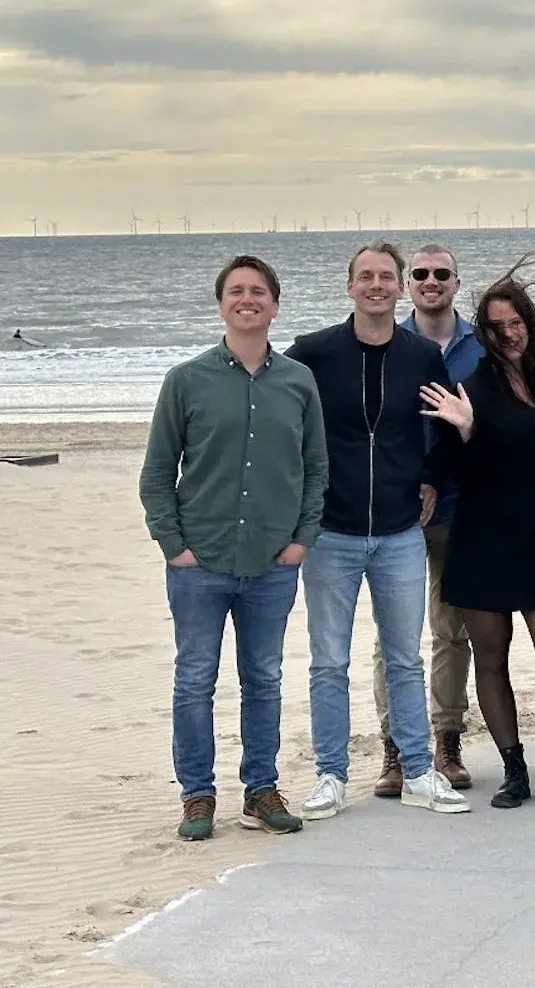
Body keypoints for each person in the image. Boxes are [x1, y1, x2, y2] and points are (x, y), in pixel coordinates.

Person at [142, 256, 325, 840]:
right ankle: (197, 795)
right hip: (200, 562)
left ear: (275, 303)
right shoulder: (186, 380)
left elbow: (316, 468)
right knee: (195, 680)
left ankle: (261, 789)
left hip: (273, 565)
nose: (247, 299)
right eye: (236, 291)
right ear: (221, 303)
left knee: (264, 679)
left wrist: (301, 541)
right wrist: (175, 547)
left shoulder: (298, 381)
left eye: (258, 291)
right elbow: (156, 474)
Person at [286, 240, 468, 821]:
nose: (376, 285)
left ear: (399, 288)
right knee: (328, 661)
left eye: (386, 277)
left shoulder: (420, 355)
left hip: (398, 532)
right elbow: (278, 416)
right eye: (365, 276)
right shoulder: (313, 353)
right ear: (350, 286)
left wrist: (432, 479)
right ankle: (331, 775)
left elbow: (443, 429)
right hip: (331, 533)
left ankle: (418, 770)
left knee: (404, 657)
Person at [418, 280, 535, 811]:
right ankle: (514, 769)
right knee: (491, 659)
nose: (509, 333)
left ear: (529, 323)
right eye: (496, 327)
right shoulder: (470, 388)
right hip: (483, 539)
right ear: (485, 332)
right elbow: (461, 474)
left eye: (516, 322)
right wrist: (468, 432)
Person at [371, 244, 482, 794]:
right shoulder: (386, 344)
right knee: (393, 638)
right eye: (420, 274)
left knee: (450, 633)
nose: (430, 281)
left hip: (461, 511)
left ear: (457, 283)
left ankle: (446, 741)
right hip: (392, 512)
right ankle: (393, 748)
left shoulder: (480, 347)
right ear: (406, 286)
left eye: (442, 273)